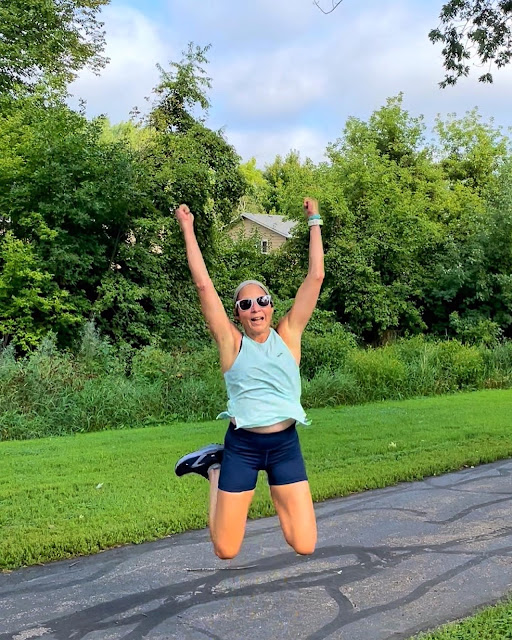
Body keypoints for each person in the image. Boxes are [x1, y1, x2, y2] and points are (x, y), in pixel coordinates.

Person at [174, 197, 324, 559]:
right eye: (245, 304)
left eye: (261, 301)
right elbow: (204, 286)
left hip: (285, 446)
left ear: (271, 306)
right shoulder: (232, 344)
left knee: (304, 544)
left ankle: (248, 478)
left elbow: (316, 276)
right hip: (242, 446)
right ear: (238, 314)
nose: (254, 308)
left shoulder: (289, 335)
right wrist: (187, 228)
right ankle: (214, 467)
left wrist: (314, 220)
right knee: (226, 549)